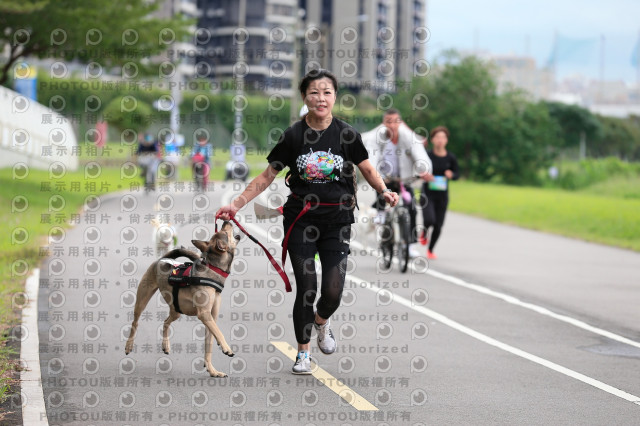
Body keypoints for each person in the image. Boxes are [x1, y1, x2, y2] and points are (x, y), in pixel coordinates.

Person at [216, 69, 399, 374]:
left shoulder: (346, 134)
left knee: (332, 292)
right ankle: (303, 353)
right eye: (314, 92)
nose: (321, 98)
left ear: (335, 97)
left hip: (337, 221)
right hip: (300, 220)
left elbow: (367, 168)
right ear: (305, 97)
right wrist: (235, 204)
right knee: (308, 287)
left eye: (327, 92)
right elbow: (266, 176)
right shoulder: (293, 136)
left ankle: (322, 323)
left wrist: (384, 190)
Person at [361, 109, 433, 258]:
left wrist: (423, 170)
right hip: (384, 178)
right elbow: (371, 157)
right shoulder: (377, 137)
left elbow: (419, 153)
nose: (392, 125)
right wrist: (373, 175)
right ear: (384, 122)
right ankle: (382, 224)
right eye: (388, 121)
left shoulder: (407, 136)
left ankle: (410, 244)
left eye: (395, 121)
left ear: (400, 122)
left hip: (403, 179)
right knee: (383, 206)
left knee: (411, 208)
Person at [419, 126, 459, 260]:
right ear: (433, 140)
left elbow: (457, 174)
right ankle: (424, 232)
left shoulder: (450, 157)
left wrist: (451, 174)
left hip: (442, 195)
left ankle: (430, 250)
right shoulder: (427, 155)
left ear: (447, 140)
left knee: (438, 225)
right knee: (430, 219)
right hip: (427, 193)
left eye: (443, 137)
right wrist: (425, 175)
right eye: (438, 137)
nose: (440, 140)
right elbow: (419, 170)